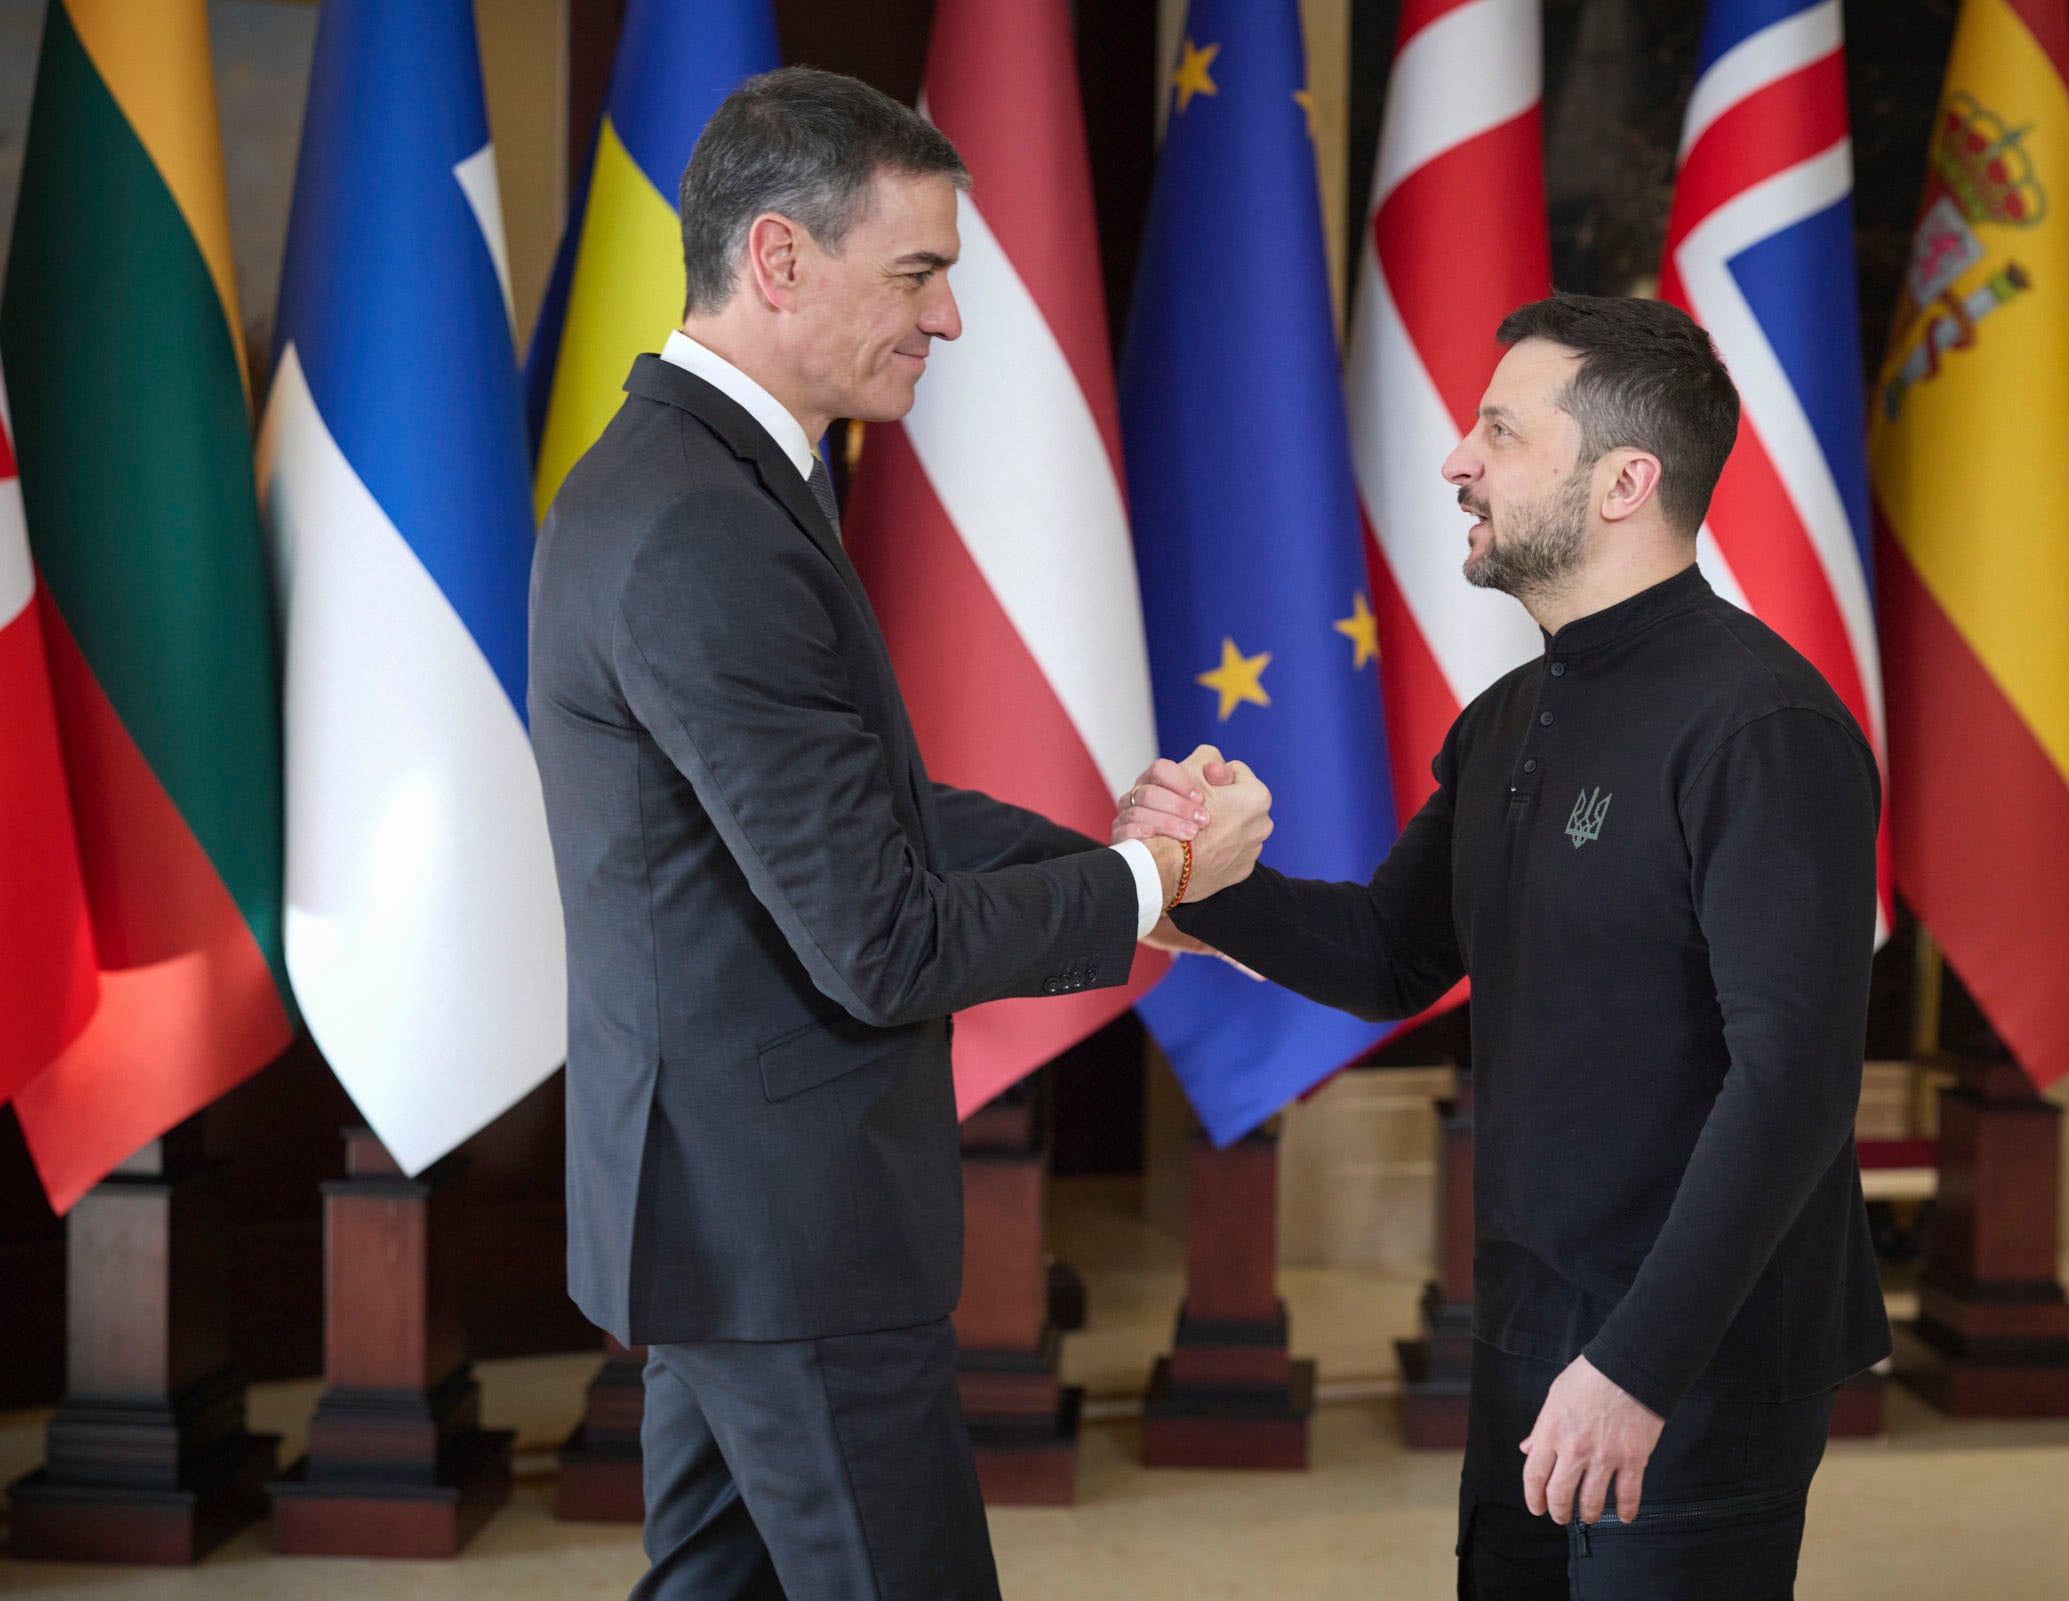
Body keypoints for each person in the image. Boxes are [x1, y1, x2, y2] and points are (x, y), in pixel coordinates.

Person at [527, 66, 1268, 1601]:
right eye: (920, 272)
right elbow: (878, 941)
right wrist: (1146, 887)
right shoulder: (702, 527)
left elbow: (871, 807)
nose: (948, 320)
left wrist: (1113, 864)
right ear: (782, 258)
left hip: (730, 1221)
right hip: (787, 1238)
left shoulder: (702, 480)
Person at [1118, 295, 1888, 1600]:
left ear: (1622, 482)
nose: (1455, 460)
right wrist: (1195, 879)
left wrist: (1640, 1366)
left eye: (1499, 431)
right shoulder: (1512, 712)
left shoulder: (1762, 725)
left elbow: (1794, 1083)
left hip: (1694, 1357)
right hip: (1530, 1331)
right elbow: (1387, 952)